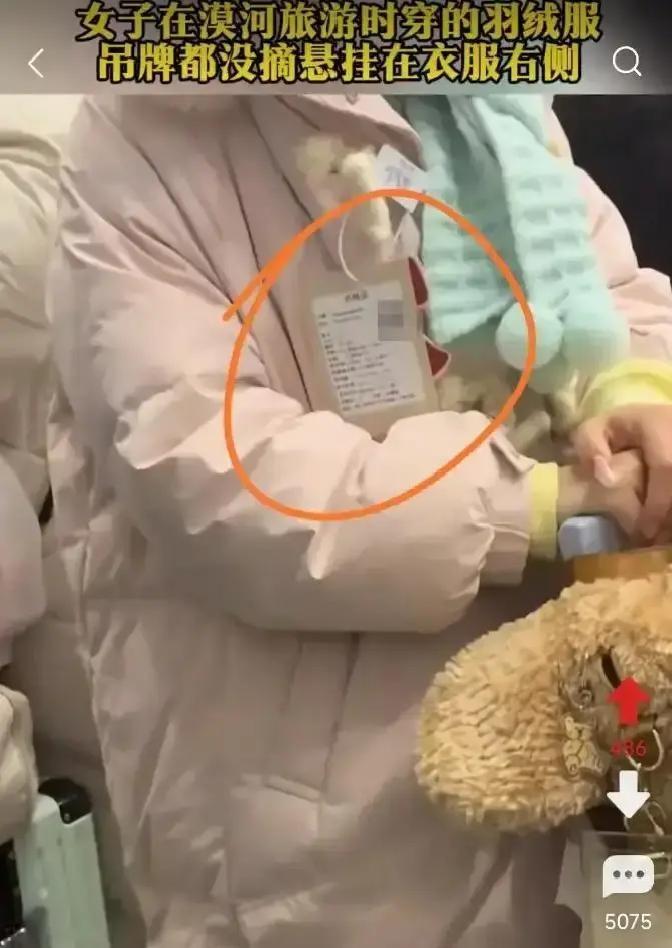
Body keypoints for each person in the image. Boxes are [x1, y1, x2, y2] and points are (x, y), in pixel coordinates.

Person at [45, 94, 672, 948]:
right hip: (305, 802)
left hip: (549, 730)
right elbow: (208, 468)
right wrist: (525, 506)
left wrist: (633, 392)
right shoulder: (142, 144)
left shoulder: (486, 103)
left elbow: (610, 289)